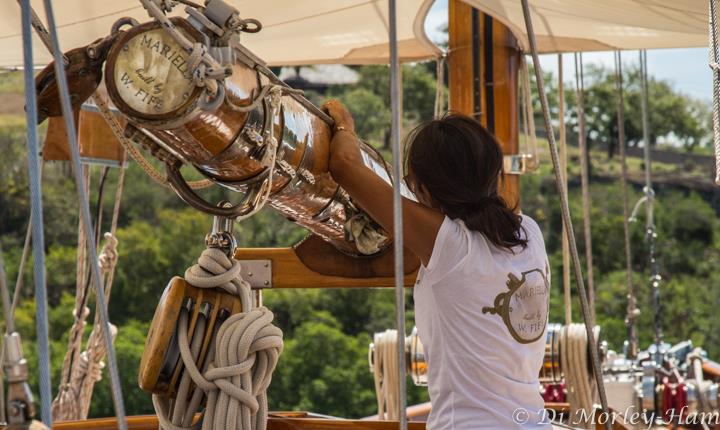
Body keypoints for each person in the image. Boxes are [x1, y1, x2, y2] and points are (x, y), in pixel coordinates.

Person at [322, 100, 552, 429]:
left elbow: (344, 166)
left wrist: (344, 125)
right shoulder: (529, 232)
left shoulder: (449, 245)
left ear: (424, 190)